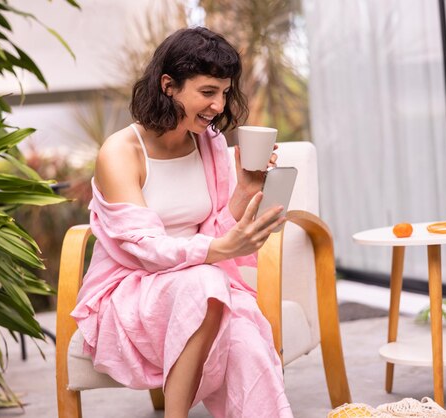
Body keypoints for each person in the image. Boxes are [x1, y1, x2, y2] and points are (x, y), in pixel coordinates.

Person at [71, 27, 293, 418]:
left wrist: (244, 190)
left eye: (224, 92)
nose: (219, 106)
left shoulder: (207, 141)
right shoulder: (121, 152)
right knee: (207, 283)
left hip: (198, 282)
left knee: (246, 339)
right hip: (129, 290)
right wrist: (217, 250)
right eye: (208, 92)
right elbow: (142, 249)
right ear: (169, 85)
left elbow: (211, 233)